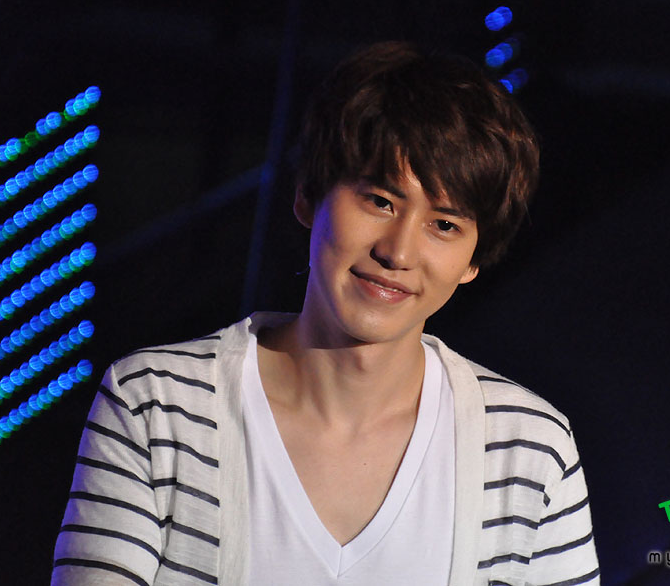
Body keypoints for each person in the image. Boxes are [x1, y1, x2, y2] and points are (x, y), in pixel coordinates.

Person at [52, 42, 599, 585]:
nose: (398, 252)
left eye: (444, 226)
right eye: (380, 201)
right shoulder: (157, 404)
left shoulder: (528, 450)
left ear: (473, 261)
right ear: (308, 197)